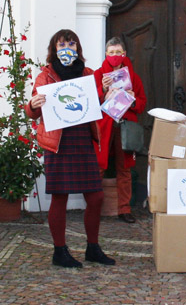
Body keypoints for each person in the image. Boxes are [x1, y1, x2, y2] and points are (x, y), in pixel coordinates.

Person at [25, 29, 115, 268]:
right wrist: (32, 105)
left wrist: (104, 89)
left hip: (82, 139)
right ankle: (59, 251)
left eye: (71, 44)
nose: (67, 48)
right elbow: (33, 109)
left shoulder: (88, 73)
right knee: (60, 197)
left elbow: (99, 104)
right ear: (54, 49)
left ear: (78, 48)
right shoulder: (46, 75)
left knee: (95, 197)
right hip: (58, 143)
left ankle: (93, 248)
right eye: (61, 44)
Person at [94, 37, 146, 223]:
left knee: (124, 169)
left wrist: (132, 99)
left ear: (124, 54)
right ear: (106, 54)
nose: (115, 56)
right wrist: (103, 90)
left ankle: (124, 209)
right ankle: (94, 207)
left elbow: (141, 105)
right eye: (111, 52)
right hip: (105, 126)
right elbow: (91, 102)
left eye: (118, 52)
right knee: (99, 166)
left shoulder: (134, 77)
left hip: (125, 126)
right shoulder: (98, 74)